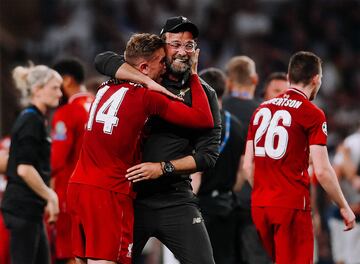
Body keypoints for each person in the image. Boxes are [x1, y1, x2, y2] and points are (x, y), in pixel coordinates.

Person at [67, 33, 214, 264]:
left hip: (78, 185)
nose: (165, 68)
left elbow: (104, 59)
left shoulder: (106, 85)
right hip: (109, 191)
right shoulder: (147, 97)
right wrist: (194, 74)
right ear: (144, 67)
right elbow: (204, 119)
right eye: (160, 62)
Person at [243, 51, 356, 264]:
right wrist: (344, 205)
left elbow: (248, 167)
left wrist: (265, 193)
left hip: (260, 206)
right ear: (316, 79)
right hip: (291, 207)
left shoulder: (260, 110)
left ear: (288, 77)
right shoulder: (312, 113)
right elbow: (322, 170)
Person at [1, 64, 62, 264]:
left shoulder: (36, 119)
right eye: (54, 87)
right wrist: (50, 195)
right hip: (22, 208)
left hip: (31, 210)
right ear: (37, 90)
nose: (60, 93)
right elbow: (24, 169)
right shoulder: (31, 121)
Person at [192, 67, 246, 264]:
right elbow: (243, 171)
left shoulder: (196, 123)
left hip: (199, 208)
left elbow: (195, 174)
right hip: (226, 206)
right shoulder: (238, 125)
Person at [223, 55, 271, 263]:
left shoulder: (217, 110)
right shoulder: (268, 113)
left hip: (221, 199)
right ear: (255, 79)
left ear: (229, 82)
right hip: (257, 198)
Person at [50, 58, 94, 263]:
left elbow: (55, 161)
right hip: (99, 193)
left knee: (72, 254)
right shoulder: (99, 105)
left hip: (71, 193)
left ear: (66, 81)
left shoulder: (67, 112)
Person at [330, 127, 360, 264]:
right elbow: (334, 177)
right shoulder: (352, 142)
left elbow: (356, 184)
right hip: (344, 211)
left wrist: (345, 157)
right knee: (343, 259)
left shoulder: (348, 145)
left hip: (352, 211)